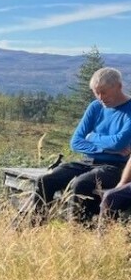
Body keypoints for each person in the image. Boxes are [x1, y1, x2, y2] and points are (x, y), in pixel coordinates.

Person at [27, 67, 131, 225]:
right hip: (88, 161)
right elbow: (76, 142)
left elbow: (119, 142)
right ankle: (35, 226)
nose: (101, 97)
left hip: (116, 166)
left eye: (104, 92)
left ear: (118, 87)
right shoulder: (95, 107)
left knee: (81, 184)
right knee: (45, 180)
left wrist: (92, 136)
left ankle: (77, 230)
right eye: (96, 92)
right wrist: (104, 148)